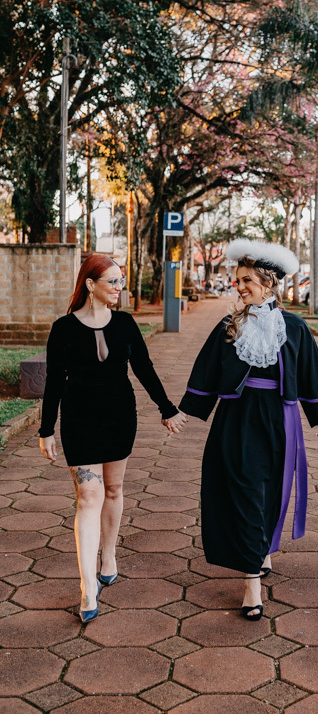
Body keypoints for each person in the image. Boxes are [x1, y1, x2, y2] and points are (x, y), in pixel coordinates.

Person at [177, 239, 318, 620]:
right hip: (238, 420)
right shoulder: (229, 327)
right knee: (243, 493)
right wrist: (182, 411)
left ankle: (263, 548)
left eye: (246, 280)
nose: (238, 286)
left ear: (268, 282)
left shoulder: (294, 327)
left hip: (280, 420)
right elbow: (206, 370)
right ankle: (251, 585)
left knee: (272, 492)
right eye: (237, 280)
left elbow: (310, 377)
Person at [38, 254, 186, 623]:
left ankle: (109, 555)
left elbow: (144, 369)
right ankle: (88, 586)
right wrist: (45, 429)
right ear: (90, 284)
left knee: (114, 489)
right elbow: (54, 382)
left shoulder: (125, 324)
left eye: (122, 281)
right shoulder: (63, 329)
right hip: (79, 421)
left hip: (120, 418)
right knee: (89, 495)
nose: (120, 288)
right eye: (114, 282)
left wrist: (166, 408)